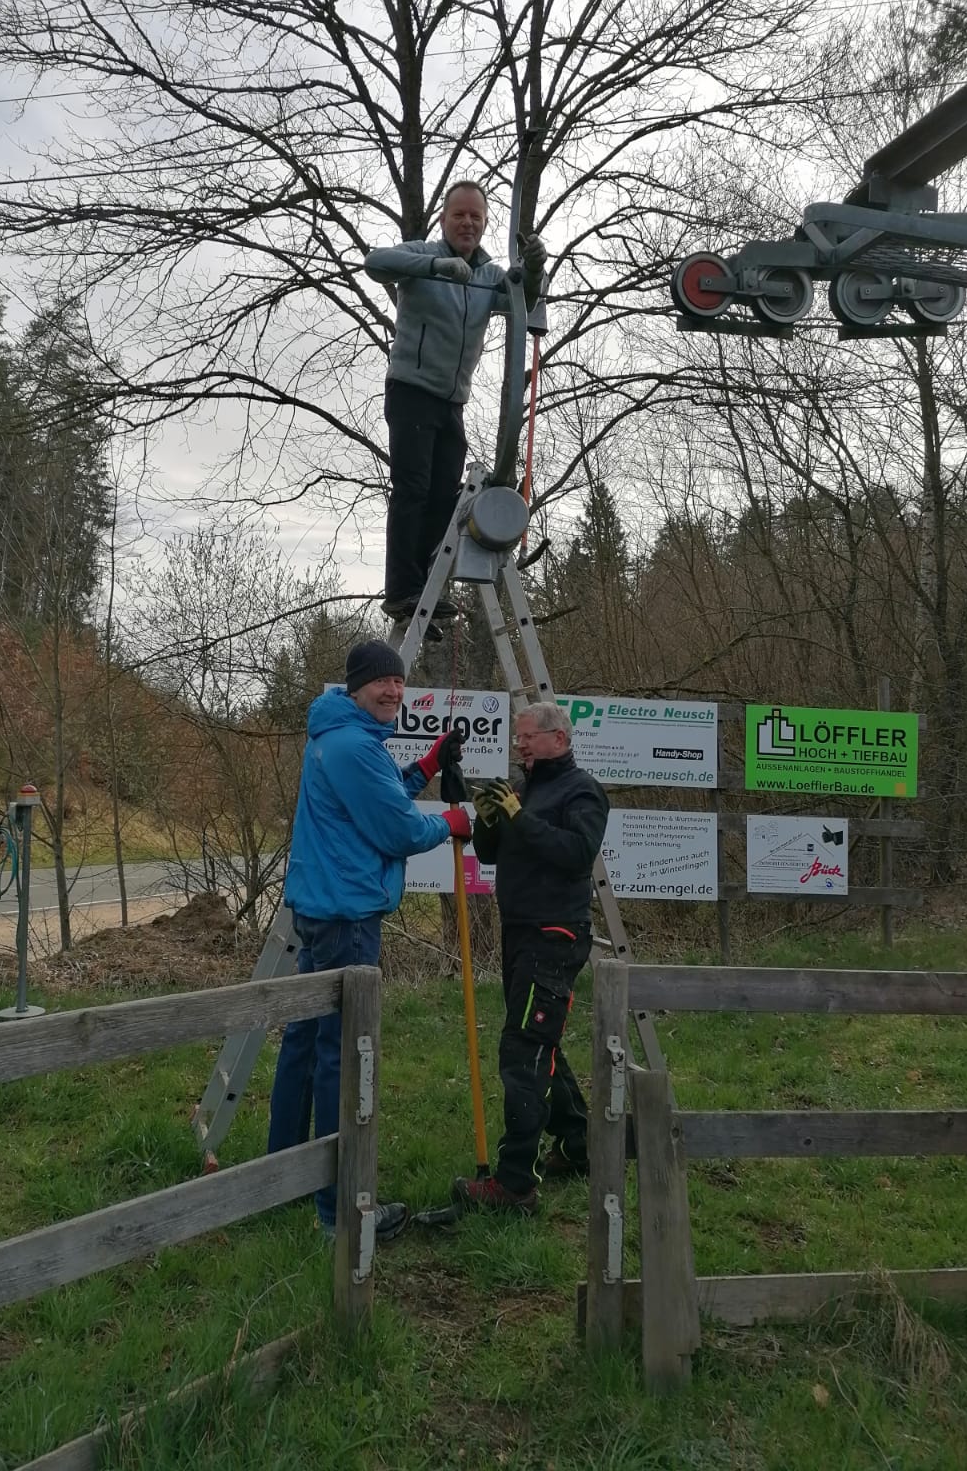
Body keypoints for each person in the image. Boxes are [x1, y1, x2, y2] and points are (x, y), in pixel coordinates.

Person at [267, 638, 472, 1241]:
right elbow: (397, 830)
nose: (393, 691)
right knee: (343, 1056)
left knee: (305, 1041)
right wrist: (453, 822)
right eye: (383, 683)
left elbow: (379, 802)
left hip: (324, 908)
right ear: (356, 688)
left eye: (400, 683)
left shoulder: (340, 738)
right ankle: (339, 1211)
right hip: (349, 916)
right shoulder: (356, 746)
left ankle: (283, 1178)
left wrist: (428, 766)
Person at [364, 181, 547, 620]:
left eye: (476, 217)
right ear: (444, 219)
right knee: (413, 488)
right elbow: (375, 263)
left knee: (445, 494)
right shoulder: (421, 253)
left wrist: (536, 270)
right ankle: (401, 590)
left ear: (484, 225)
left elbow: (523, 301)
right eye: (459, 215)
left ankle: (424, 587)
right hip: (411, 390)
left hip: (452, 402)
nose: (467, 223)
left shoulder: (487, 275)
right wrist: (437, 267)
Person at [455, 701, 608, 1214]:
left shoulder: (582, 790)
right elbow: (494, 854)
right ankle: (582, 1146)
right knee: (540, 1042)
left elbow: (576, 854)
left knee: (523, 1050)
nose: (518, 745)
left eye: (526, 737)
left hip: (555, 934)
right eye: (516, 738)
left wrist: (522, 819)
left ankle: (516, 1183)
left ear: (557, 740)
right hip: (519, 933)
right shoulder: (525, 788)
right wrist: (490, 821)